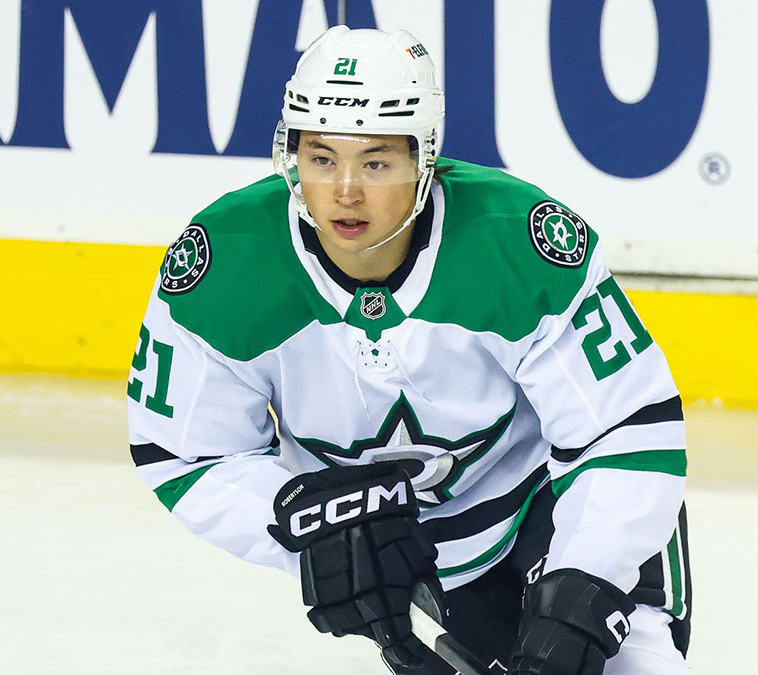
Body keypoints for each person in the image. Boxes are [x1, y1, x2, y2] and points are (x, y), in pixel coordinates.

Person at [127, 26, 692, 675]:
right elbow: (187, 452)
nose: (344, 190)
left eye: (375, 162)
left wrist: (581, 586)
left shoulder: (516, 244)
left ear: (424, 158)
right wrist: (317, 534)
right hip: (417, 557)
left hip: (556, 504)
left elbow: (625, 429)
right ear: (289, 155)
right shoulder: (224, 268)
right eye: (320, 158)